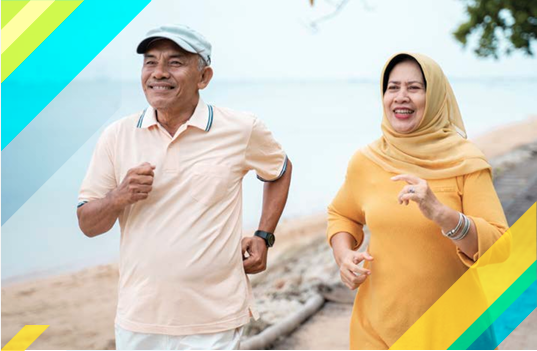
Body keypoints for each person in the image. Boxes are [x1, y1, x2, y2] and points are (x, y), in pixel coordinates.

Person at [77, 24, 292, 350]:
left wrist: (264, 236)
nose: (159, 73)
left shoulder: (241, 128)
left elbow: (280, 169)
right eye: (150, 62)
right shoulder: (117, 136)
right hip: (139, 320)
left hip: (214, 320)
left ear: (203, 77)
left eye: (175, 62)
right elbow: (88, 224)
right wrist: (119, 197)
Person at [327, 52, 508, 349]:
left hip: (456, 332)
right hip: (376, 331)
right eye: (392, 87)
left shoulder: (466, 161)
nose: (401, 97)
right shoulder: (366, 160)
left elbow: (500, 247)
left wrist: (441, 214)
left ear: (434, 95)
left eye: (414, 88)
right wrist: (344, 255)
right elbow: (341, 214)